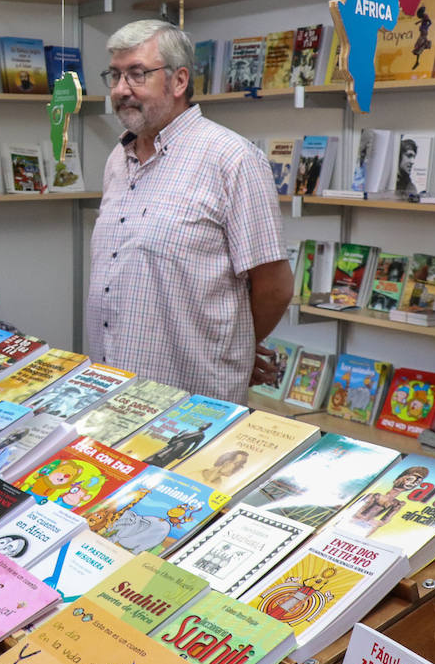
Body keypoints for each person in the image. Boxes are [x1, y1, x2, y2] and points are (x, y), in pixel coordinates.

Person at [86, 21, 292, 405]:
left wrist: (237, 350)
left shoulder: (232, 159)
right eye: (114, 76)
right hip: (111, 391)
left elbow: (275, 286)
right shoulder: (118, 158)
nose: (119, 90)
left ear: (179, 81)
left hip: (190, 402)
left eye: (136, 75)